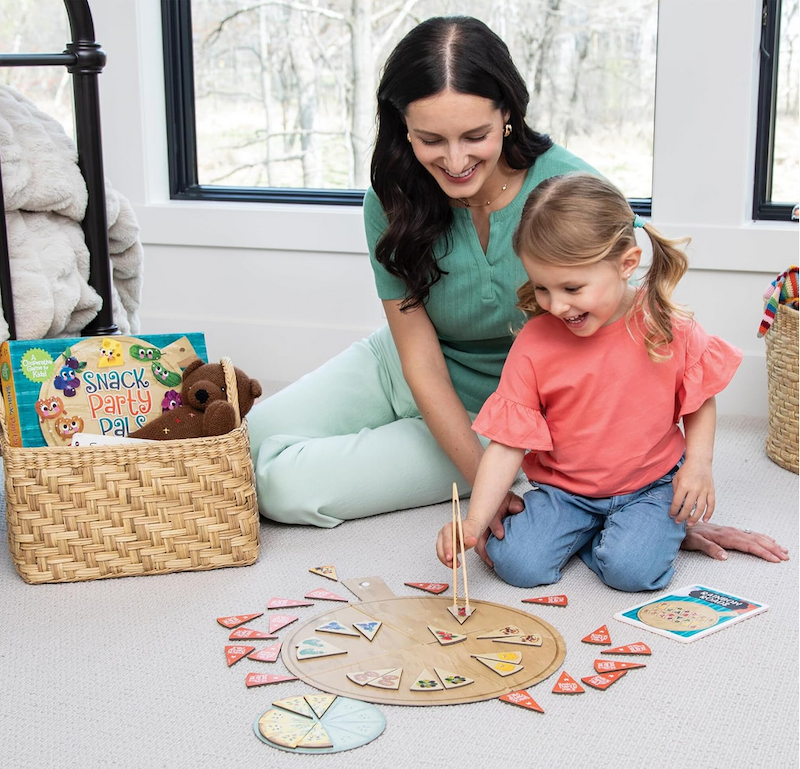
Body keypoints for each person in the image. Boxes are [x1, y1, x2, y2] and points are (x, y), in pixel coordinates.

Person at [247, 15, 789, 566]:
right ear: (401, 127)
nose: (455, 162)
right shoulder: (390, 195)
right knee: (246, 438)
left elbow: (629, 353)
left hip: (501, 412)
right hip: (405, 362)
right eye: (430, 139)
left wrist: (651, 509)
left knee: (284, 487)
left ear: (507, 114)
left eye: (474, 136)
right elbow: (417, 356)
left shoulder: (567, 192)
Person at [436, 172, 748, 591]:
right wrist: (473, 520)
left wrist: (698, 465)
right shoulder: (535, 343)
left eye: (571, 287)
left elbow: (699, 400)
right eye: (542, 288)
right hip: (566, 491)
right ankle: (596, 533)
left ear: (626, 264)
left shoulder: (667, 326)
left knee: (633, 572)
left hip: (651, 486)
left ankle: (623, 536)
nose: (557, 305)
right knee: (515, 563)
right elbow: (508, 443)